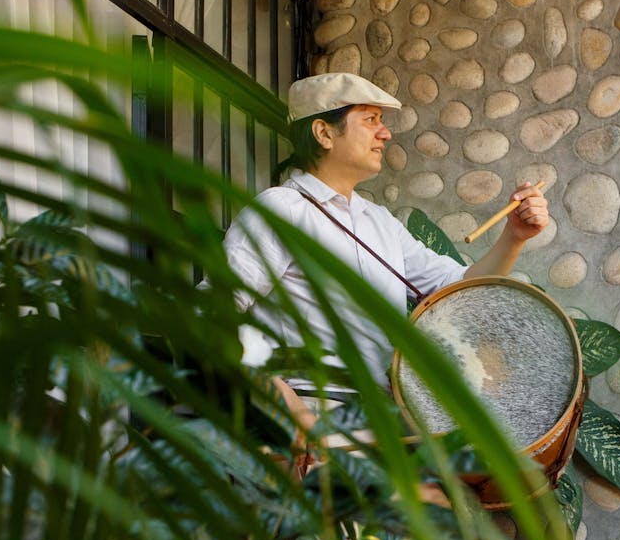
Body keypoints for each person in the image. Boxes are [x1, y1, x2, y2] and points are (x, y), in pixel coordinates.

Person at [224, 72, 549, 390]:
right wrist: (283, 402)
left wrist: (514, 235)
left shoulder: (379, 221)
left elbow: (459, 291)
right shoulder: (280, 210)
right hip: (313, 411)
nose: (385, 134)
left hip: (382, 418)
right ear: (324, 133)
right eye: (370, 120)